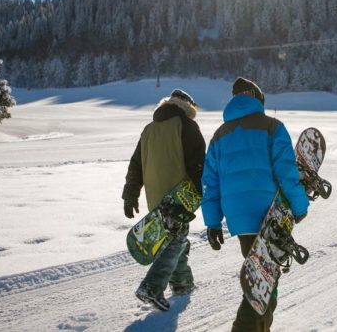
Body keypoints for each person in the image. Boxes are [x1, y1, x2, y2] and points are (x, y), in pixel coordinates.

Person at [201, 77, 309, 332]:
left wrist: (213, 222)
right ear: (257, 99)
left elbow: (210, 183)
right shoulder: (272, 127)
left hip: (240, 220)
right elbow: (286, 171)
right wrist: (299, 206)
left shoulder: (219, 135)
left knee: (261, 279)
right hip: (269, 214)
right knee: (263, 283)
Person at [122, 88, 206, 311]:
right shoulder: (186, 126)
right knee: (177, 239)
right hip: (178, 197)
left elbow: (136, 165)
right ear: (187, 106)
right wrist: (199, 195)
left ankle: (181, 283)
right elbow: (198, 165)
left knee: (174, 237)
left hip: (155, 197)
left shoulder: (149, 129)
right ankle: (152, 286)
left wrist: (130, 194)